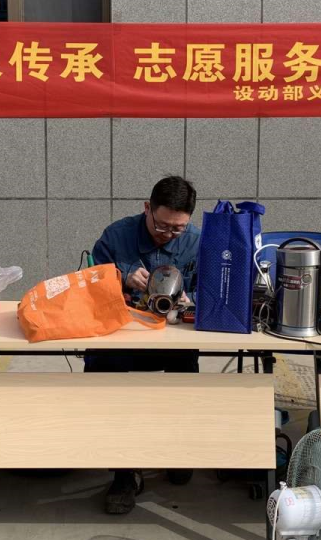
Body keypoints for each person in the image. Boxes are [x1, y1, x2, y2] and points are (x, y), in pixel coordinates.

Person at [87, 175, 201, 515]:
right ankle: (124, 472)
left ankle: (176, 449)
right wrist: (121, 277)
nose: (168, 234)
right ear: (147, 208)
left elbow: (212, 288)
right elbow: (90, 281)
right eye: (162, 225)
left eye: (177, 229)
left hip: (174, 338)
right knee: (109, 381)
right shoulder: (116, 236)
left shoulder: (196, 241)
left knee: (185, 380)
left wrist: (191, 300)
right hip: (123, 335)